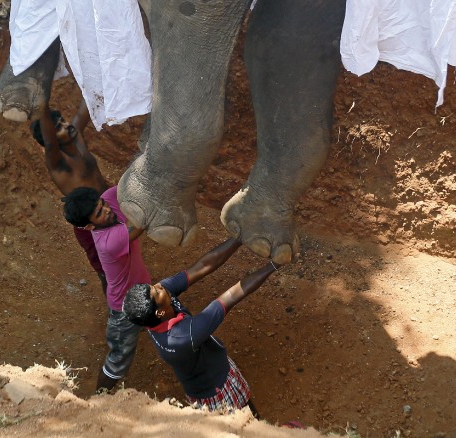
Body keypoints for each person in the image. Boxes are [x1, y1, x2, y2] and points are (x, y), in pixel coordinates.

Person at [123, 237, 280, 418]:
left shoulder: (154, 313)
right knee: (246, 419)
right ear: (159, 313)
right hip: (217, 388)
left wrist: (242, 236)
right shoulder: (182, 337)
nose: (160, 286)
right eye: (157, 292)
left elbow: (204, 265)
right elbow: (231, 296)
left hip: (204, 377)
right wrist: (274, 265)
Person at [62, 185, 150, 393]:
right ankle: (99, 400)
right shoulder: (107, 242)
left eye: (103, 205)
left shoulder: (108, 201)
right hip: (125, 311)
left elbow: (128, 185)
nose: (108, 210)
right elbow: (143, 224)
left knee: (171, 318)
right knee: (117, 363)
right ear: (89, 227)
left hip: (145, 295)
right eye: (99, 213)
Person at [31, 98, 111, 296]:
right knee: (106, 272)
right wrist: (43, 102)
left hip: (110, 205)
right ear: (52, 141)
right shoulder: (58, 164)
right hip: (90, 223)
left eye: (64, 121)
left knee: (123, 255)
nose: (66, 126)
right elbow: (49, 141)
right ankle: (117, 313)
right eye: (58, 128)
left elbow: (86, 102)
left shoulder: (76, 137)